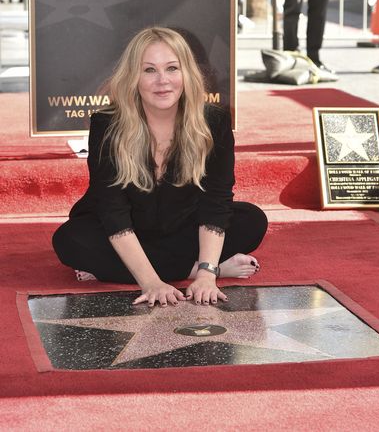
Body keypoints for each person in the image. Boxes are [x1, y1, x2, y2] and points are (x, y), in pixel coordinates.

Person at [53, 27, 268, 307]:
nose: (162, 81)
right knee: (71, 241)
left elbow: (216, 200)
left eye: (172, 68)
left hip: (182, 225)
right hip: (123, 228)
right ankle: (189, 268)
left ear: (186, 74)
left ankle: (149, 269)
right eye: (149, 70)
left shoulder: (214, 122)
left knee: (252, 221)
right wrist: (152, 283)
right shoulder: (107, 126)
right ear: (134, 77)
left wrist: (206, 276)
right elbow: (112, 211)